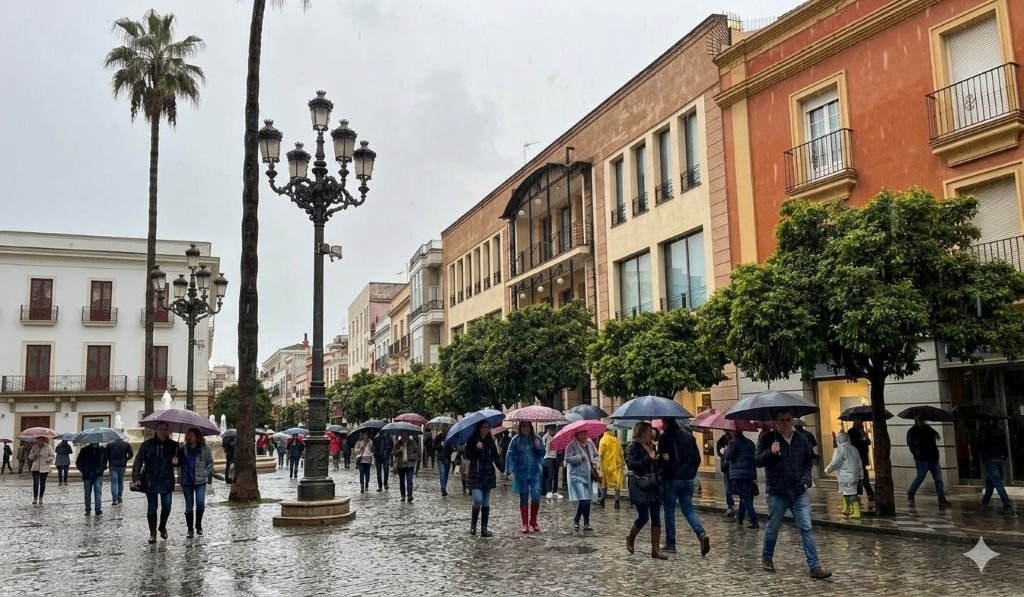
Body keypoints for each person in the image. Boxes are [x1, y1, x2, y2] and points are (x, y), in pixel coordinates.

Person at [756, 408, 831, 579]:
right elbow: (758, 461)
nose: (785, 423)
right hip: (777, 491)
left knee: (806, 527)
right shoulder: (768, 439)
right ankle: (767, 556)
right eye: (782, 420)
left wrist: (806, 479)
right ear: (776, 421)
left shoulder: (801, 439)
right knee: (773, 527)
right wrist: (770, 452)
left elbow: (807, 462)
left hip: (798, 492)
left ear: (793, 420)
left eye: (788, 419)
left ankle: (814, 566)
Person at [659, 418, 710, 556]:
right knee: (688, 509)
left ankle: (671, 543)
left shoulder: (664, 438)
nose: (661, 425)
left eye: (663, 423)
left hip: (671, 479)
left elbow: (663, 460)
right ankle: (701, 533)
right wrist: (691, 473)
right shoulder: (688, 436)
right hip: (687, 478)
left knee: (669, 511)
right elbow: (697, 458)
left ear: (667, 423)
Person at [625, 422, 667, 560]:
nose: (652, 434)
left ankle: (655, 549)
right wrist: (648, 457)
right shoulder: (632, 447)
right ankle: (630, 538)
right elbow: (632, 464)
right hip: (640, 486)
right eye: (649, 431)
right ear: (642, 432)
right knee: (643, 517)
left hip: (654, 485)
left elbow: (656, 465)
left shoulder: (652, 446)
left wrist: (660, 458)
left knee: (656, 517)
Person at [133, 421, 179, 544]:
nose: (163, 431)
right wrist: (136, 477)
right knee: (152, 508)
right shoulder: (147, 445)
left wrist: (177, 461)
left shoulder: (174, 445)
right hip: (150, 479)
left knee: (167, 506)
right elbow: (138, 460)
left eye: (165, 429)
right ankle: (152, 533)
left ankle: (162, 526)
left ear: (168, 431)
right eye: (160, 429)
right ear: (156, 430)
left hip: (166, 479)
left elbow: (180, 461)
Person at [504, 421, 546, 533]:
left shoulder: (536, 438)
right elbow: (510, 455)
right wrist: (509, 471)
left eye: (527, 426)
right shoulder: (515, 440)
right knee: (524, 497)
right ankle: (525, 523)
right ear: (520, 428)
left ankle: (533, 520)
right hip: (521, 472)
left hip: (535, 472)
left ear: (530, 427)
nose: (526, 428)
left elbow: (543, 453)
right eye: (523, 426)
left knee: (536, 494)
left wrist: (539, 447)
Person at [466, 421, 501, 537]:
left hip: (488, 474)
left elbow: (495, 457)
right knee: (477, 500)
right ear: (479, 428)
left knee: (485, 502)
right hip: (476, 475)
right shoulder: (472, 440)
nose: (486, 429)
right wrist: (476, 448)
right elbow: (468, 456)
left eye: (487, 427)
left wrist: (504, 469)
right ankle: (473, 525)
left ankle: (484, 528)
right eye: (484, 427)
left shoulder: (491, 441)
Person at [906, 416, 951, 507]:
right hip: (921, 458)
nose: (921, 422)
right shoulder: (912, 431)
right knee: (920, 477)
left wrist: (936, 435)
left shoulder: (928, 429)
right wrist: (917, 453)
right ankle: (911, 492)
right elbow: (911, 445)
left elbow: (936, 435)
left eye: (922, 420)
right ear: (916, 421)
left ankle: (941, 498)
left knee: (938, 479)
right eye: (919, 420)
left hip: (933, 457)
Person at [178, 428, 213, 538]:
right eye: (188, 435)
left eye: (191, 435)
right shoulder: (183, 448)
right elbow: (178, 462)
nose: (188, 437)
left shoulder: (205, 448)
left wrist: (205, 472)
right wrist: (175, 459)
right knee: (189, 505)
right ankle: (190, 529)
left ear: (197, 436)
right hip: (187, 480)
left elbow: (210, 462)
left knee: (200, 502)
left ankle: (198, 525)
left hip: (200, 481)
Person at [565, 429, 600, 532]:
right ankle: (583, 521)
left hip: (588, 475)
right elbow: (568, 459)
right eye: (581, 434)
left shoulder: (590, 443)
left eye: (585, 434)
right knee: (584, 498)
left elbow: (597, 455)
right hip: (576, 476)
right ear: (577, 435)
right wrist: (580, 457)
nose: (584, 436)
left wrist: (595, 461)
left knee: (586, 500)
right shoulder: (571, 445)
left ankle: (580, 521)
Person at [824, 431, 863, 519]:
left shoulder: (840, 449)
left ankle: (856, 511)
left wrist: (827, 470)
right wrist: (861, 475)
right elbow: (859, 463)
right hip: (854, 475)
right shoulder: (854, 448)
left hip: (845, 475)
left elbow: (835, 463)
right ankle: (847, 508)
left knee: (850, 493)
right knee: (849, 492)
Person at [977, 419, 1013, 511]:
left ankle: (1007, 504)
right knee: (990, 482)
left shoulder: (984, 431)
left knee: (997, 482)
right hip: (999, 458)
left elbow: (981, 445)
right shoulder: (999, 430)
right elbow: (1004, 444)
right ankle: (985, 502)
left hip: (990, 459)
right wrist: (1004, 456)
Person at [727, 430, 759, 529]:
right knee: (744, 496)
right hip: (749, 473)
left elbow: (729, 457)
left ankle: (754, 520)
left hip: (739, 474)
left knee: (745, 497)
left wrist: (724, 451)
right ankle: (740, 518)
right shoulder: (750, 443)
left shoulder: (733, 443)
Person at [76, 442, 107, 516]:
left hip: (98, 474)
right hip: (87, 475)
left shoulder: (102, 450)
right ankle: (88, 509)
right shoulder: (84, 450)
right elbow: (78, 462)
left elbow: (105, 461)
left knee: (98, 492)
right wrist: (84, 471)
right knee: (87, 493)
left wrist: (102, 468)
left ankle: (98, 509)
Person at [847, 419, 874, 501]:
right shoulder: (851, 432)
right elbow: (855, 444)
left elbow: (868, 442)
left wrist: (865, 436)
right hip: (856, 458)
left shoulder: (862, 431)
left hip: (863, 457)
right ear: (855, 423)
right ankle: (868, 493)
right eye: (859, 422)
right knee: (861, 476)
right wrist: (862, 438)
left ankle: (867, 493)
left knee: (864, 476)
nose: (861, 424)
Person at [598, 428, 625, 509]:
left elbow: (600, 453)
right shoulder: (616, 439)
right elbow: (621, 452)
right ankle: (617, 502)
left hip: (606, 464)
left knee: (604, 483)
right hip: (617, 464)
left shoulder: (603, 440)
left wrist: (597, 464)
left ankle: (602, 501)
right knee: (617, 483)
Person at [393, 431, 419, 503]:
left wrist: (413, 456)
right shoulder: (397, 443)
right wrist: (399, 450)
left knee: (409, 479)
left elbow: (417, 452)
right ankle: (403, 496)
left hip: (410, 464)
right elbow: (394, 453)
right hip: (400, 465)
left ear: (408, 435)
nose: (404, 436)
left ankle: (410, 495)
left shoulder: (412, 443)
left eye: (405, 435)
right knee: (402, 481)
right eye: (402, 435)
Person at [106, 436, 133, 505]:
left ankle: (114, 500)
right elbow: (131, 454)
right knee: (120, 481)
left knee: (114, 482)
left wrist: (109, 460)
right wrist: (126, 459)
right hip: (122, 465)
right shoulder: (126, 444)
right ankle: (119, 496)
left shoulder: (109, 445)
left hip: (112, 465)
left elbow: (106, 455)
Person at [27, 437, 54, 504]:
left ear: (43, 440)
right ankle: (35, 498)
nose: (39, 441)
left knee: (42, 484)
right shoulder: (34, 447)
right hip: (35, 468)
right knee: (36, 483)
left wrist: (48, 460)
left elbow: (52, 456)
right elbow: (30, 457)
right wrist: (35, 453)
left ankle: (41, 498)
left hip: (44, 468)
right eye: (38, 440)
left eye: (40, 440)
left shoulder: (48, 447)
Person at [716, 431, 735, 517]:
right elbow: (719, 452)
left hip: (735, 468)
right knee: (728, 488)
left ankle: (742, 507)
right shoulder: (722, 440)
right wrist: (722, 452)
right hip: (726, 467)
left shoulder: (736, 439)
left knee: (739, 488)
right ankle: (730, 506)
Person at [542, 424, 563, 499]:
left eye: (554, 429)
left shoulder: (558, 436)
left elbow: (561, 445)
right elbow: (543, 448)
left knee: (556, 474)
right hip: (548, 457)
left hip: (557, 456)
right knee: (549, 474)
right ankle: (549, 491)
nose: (552, 431)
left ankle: (555, 491)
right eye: (551, 429)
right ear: (548, 430)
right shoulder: (545, 437)